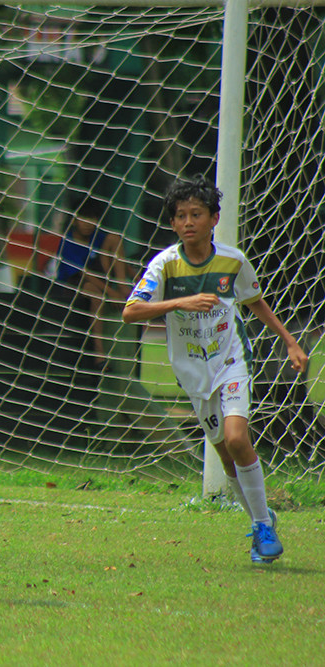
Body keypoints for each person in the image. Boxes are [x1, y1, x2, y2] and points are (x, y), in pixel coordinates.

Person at [122, 175, 308, 564]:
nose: (188, 222)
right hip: (192, 372)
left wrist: (289, 341)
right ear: (172, 224)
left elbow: (255, 302)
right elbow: (130, 311)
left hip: (230, 361)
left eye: (196, 214)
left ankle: (262, 526)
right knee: (225, 455)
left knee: (239, 439)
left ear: (213, 218)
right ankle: (261, 518)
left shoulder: (232, 260)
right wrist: (178, 303)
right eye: (180, 216)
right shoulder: (165, 266)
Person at [48, 197, 132, 371]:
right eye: (83, 218)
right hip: (75, 284)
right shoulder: (68, 242)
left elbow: (117, 256)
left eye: (92, 219)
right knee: (94, 293)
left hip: (101, 278)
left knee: (114, 238)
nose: (88, 223)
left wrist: (134, 277)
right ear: (74, 219)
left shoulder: (97, 237)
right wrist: (111, 292)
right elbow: (84, 275)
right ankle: (98, 353)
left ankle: (122, 286)